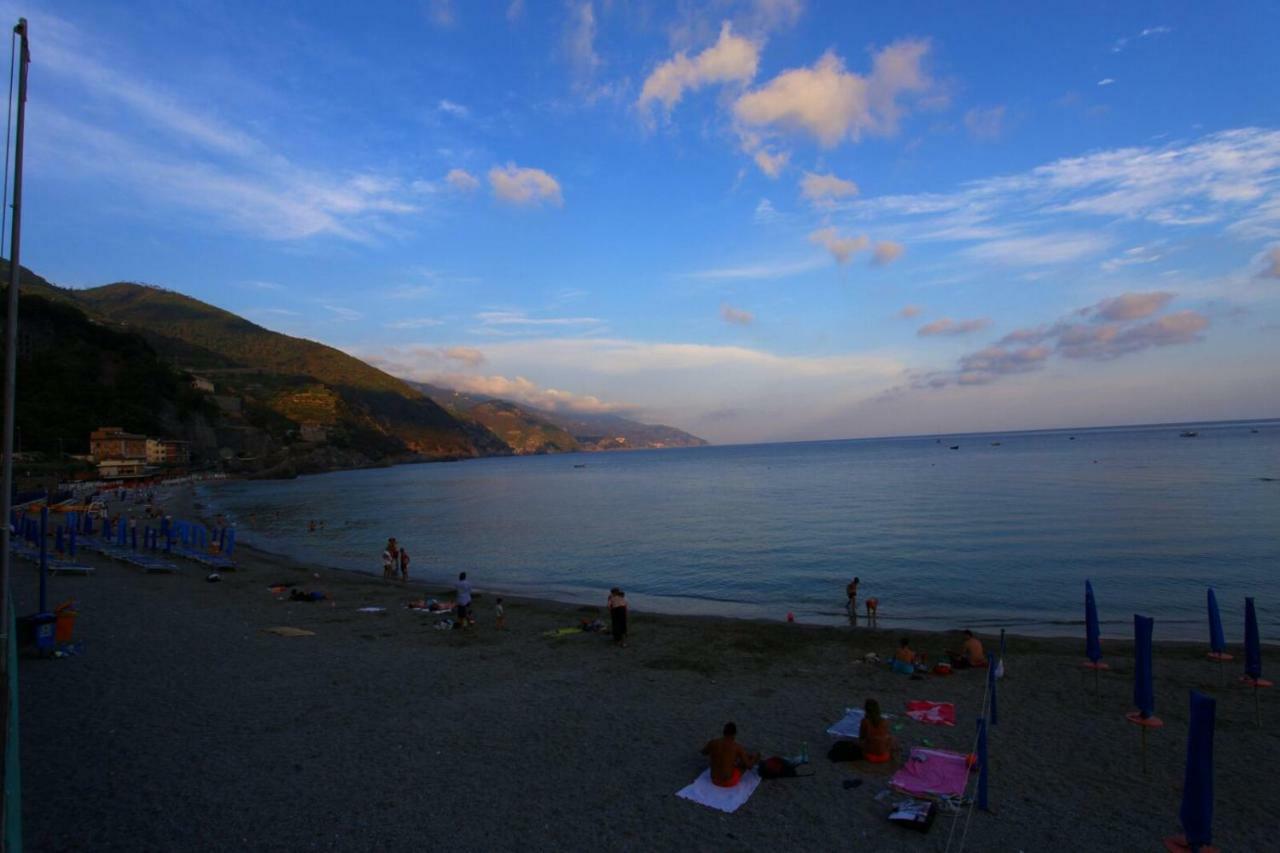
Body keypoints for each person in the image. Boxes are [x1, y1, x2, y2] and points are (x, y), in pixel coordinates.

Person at [701, 722, 760, 788]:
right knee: (743, 764)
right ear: (734, 734)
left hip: (713, 779)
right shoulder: (737, 747)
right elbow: (749, 766)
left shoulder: (713, 742)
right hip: (727, 782)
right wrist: (754, 758)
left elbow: (703, 752)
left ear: (723, 732)